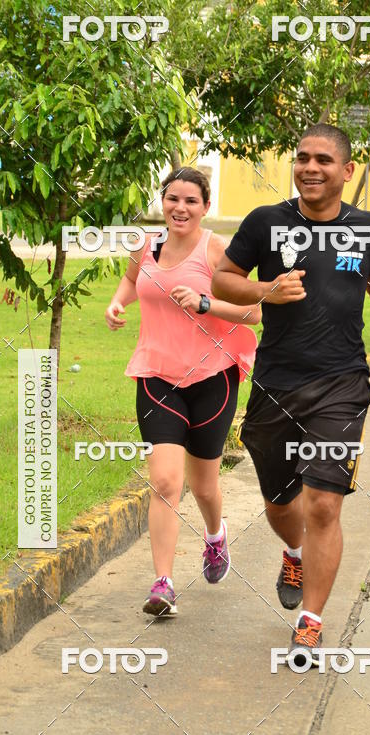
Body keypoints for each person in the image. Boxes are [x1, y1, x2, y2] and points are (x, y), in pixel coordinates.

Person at [211, 123, 370, 665]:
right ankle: (293, 553)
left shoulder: (368, 228)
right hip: (276, 384)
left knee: (323, 503)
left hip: (342, 384)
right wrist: (266, 290)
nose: (310, 167)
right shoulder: (266, 222)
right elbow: (223, 279)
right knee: (281, 504)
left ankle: (311, 621)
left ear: (347, 171)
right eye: (302, 158)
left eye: (323, 159)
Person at [105, 167, 260, 617]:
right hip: (157, 375)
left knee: (204, 485)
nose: (180, 208)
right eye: (173, 198)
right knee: (165, 481)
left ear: (206, 207)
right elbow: (132, 281)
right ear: (163, 201)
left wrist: (205, 303)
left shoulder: (216, 251)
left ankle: (215, 535)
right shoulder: (145, 245)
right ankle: (163, 583)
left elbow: (255, 312)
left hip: (213, 377)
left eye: (191, 201)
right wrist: (117, 303)